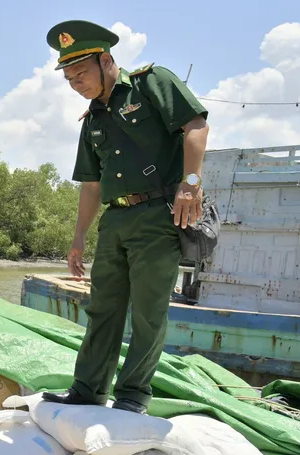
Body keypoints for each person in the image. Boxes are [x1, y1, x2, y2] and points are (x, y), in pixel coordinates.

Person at [41, 20, 209, 415]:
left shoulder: (151, 84)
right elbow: (91, 185)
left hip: (157, 214)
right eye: (68, 77)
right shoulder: (93, 119)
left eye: (81, 72)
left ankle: (132, 397)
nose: (75, 83)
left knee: (149, 311)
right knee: (103, 308)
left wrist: (191, 183)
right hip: (114, 221)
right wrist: (79, 237)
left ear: (105, 60)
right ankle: (88, 389)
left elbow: (196, 124)